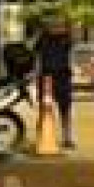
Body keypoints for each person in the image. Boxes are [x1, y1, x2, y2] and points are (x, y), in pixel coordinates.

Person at [32, 10, 78, 151]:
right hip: (50, 77)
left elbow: (72, 36)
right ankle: (51, 136)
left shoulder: (65, 39)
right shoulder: (45, 39)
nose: (55, 28)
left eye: (58, 26)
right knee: (46, 109)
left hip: (57, 76)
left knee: (62, 109)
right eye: (53, 26)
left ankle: (66, 137)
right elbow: (35, 51)